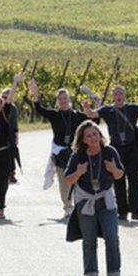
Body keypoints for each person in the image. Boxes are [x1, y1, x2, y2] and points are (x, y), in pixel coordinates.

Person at [65, 120, 125, 276]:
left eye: (95, 134)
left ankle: (115, 273)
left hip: (106, 200)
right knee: (89, 239)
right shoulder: (78, 156)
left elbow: (120, 174)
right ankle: (90, 273)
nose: (92, 138)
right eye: (88, 136)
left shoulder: (109, 151)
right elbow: (68, 179)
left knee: (112, 236)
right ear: (83, 140)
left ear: (100, 135)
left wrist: (114, 169)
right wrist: (78, 172)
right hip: (85, 201)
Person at [29, 79, 93, 218]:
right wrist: (35, 94)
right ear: (57, 100)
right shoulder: (55, 115)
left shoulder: (77, 115)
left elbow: (93, 120)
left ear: (69, 99)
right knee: (64, 181)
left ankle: (80, 205)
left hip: (76, 151)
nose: (63, 100)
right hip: (60, 153)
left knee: (79, 179)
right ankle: (67, 206)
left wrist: (95, 106)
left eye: (65, 98)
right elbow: (40, 109)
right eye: (61, 98)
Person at [95, 85, 138, 220]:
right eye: (116, 93)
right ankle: (122, 211)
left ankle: (136, 211)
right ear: (113, 96)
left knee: (134, 180)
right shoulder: (107, 110)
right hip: (116, 149)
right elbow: (92, 114)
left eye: (121, 93)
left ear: (125, 96)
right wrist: (87, 108)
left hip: (132, 149)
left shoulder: (132, 108)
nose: (118, 96)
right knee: (118, 180)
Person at [0, 85, 21, 184]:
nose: (5, 99)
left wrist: (16, 137)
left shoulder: (13, 108)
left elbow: (15, 124)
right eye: (3, 97)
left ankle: (11, 173)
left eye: (7, 97)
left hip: (10, 134)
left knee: (11, 154)